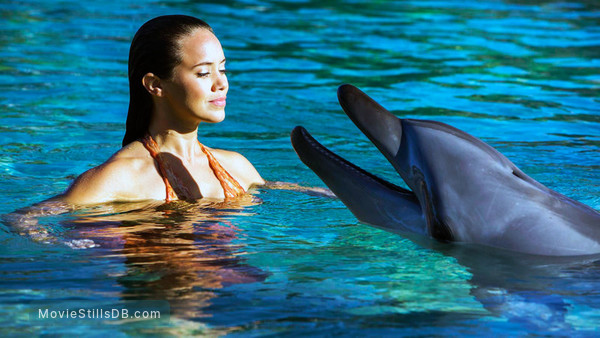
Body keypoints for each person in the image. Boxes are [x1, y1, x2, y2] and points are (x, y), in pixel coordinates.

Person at [62, 15, 264, 204]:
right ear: (155, 85)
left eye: (222, 69)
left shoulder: (237, 167)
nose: (222, 83)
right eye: (203, 73)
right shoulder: (120, 177)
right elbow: (33, 222)